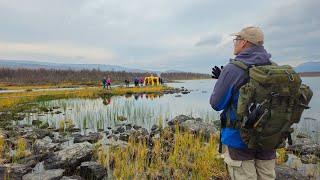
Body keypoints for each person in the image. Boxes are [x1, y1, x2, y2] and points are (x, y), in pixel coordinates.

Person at [210, 26, 276, 180]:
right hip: (269, 138)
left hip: (239, 140)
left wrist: (223, 81)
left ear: (244, 42)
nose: (234, 43)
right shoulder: (274, 66)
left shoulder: (233, 69)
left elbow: (216, 104)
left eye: (236, 40)